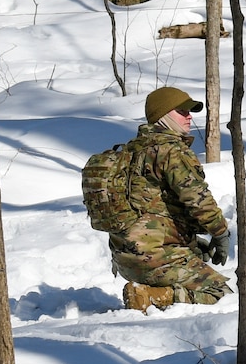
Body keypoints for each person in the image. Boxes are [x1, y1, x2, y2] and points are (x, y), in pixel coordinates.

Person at [96, 86, 232, 313]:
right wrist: (220, 233)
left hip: (125, 260)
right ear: (164, 115)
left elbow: (149, 207)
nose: (189, 117)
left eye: (189, 112)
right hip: (156, 259)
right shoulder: (170, 151)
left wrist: (189, 241)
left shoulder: (130, 151)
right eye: (182, 111)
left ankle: (151, 288)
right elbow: (198, 200)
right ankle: (153, 295)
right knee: (221, 295)